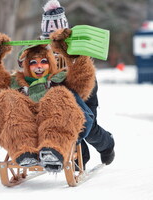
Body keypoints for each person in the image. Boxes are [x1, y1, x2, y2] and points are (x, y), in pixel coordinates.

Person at [0, 29, 96, 172]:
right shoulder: (15, 82)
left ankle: (52, 149)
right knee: (6, 97)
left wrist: (73, 55)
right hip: (25, 125)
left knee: (59, 94)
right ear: (26, 65)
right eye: (33, 62)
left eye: (44, 61)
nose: (39, 66)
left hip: (55, 121)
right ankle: (24, 151)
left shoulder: (60, 79)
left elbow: (82, 81)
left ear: (50, 63)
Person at [40, 0, 115, 166]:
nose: (52, 43)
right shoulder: (41, 50)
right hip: (57, 92)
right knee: (64, 121)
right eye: (48, 37)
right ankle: (80, 158)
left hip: (83, 87)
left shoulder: (76, 46)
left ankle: (107, 144)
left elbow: (83, 73)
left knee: (86, 126)